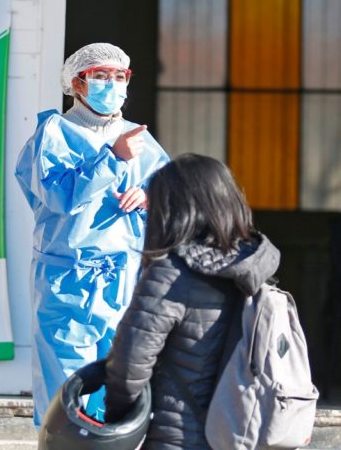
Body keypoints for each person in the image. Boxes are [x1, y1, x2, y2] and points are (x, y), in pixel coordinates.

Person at [15, 42, 169, 426]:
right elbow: (59, 197)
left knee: (120, 377)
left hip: (124, 274)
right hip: (69, 275)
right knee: (68, 380)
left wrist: (151, 197)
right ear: (77, 83)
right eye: (100, 76)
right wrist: (112, 159)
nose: (111, 84)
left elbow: (173, 194)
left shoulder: (139, 139)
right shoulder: (54, 133)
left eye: (119, 77)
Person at [103, 153, 281, 449]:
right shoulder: (259, 271)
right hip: (244, 435)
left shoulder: (170, 275)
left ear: (172, 211)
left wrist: (119, 420)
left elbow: (128, 367)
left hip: (178, 438)